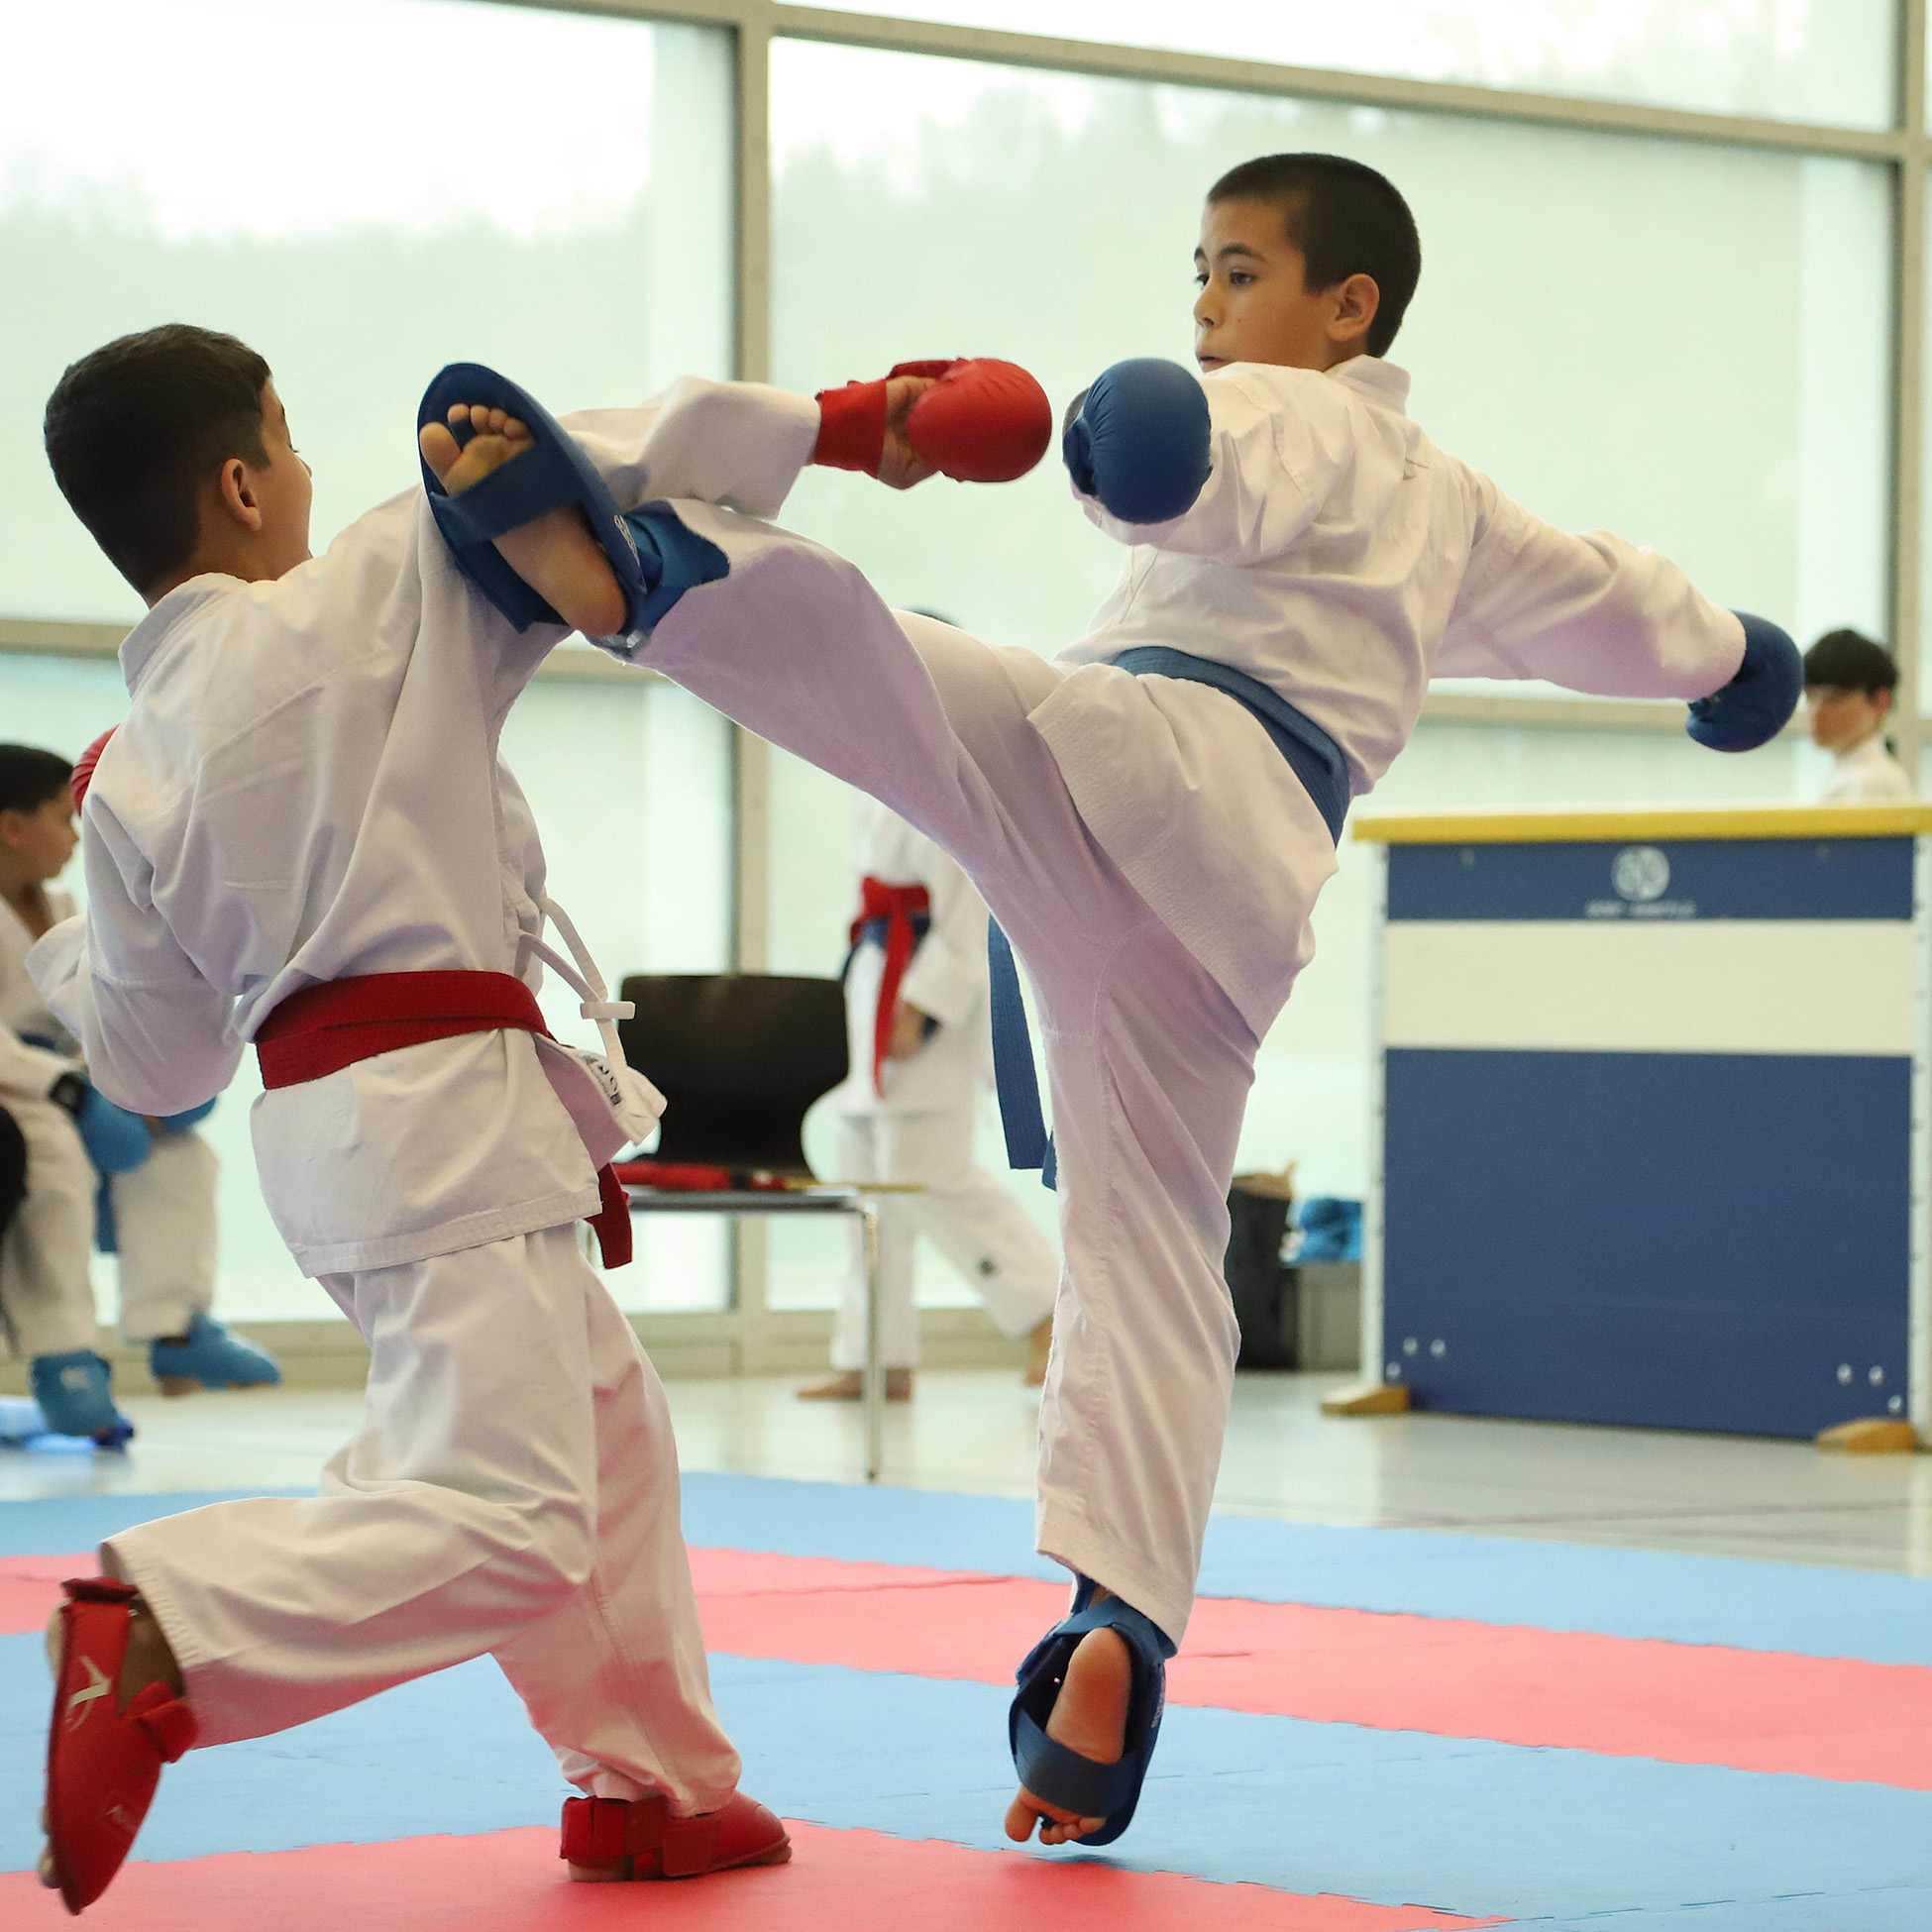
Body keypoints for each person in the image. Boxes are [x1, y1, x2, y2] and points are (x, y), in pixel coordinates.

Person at [418, 153, 1798, 1854]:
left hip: (1160, 758)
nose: (1207, 309)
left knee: (900, 672)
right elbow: (1609, 600)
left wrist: (1162, 443)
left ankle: (646, 566)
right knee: (1152, 1251)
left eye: (1236, 272)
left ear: (1347, 307)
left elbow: (1214, 462)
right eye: (1197, 278)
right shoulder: (1458, 511)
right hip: (1244, 893)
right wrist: (1734, 658)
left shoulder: (1309, 419)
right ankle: (1116, 1628)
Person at [27, 325, 788, 1913]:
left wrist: (62, 937)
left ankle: (649, 1784)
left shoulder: (121, 772)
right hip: (441, 1112)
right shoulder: (370, 586)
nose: (309, 472)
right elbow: (585, 453)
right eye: (288, 441)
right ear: (240, 482)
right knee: (509, 1510)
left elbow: (158, 1068)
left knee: (604, 1435)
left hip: (331, 1134)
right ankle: (169, 1624)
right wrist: (852, 420)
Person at [0, 742, 277, 1442]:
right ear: (12, 828)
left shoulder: (67, 905)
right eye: (62, 819)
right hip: (17, 1095)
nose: (75, 836)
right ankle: (64, 1356)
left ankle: (175, 1331)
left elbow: (102, 1006)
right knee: (53, 1161)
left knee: (180, 1157)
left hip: (75, 1078)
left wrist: (138, 1077)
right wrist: (67, 1092)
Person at [800, 791, 1057, 1402]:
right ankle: (876, 1359)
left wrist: (923, 1005)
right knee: (866, 1191)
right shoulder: (865, 782)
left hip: (919, 996)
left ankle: (1051, 1313)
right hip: (876, 973)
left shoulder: (933, 784)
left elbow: (970, 914)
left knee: (931, 1177)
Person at [1800, 628, 1913, 802]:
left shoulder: (1872, 782)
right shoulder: (1851, 774)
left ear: (1881, 702)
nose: (1816, 712)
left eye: (1833, 699)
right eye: (1809, 697)